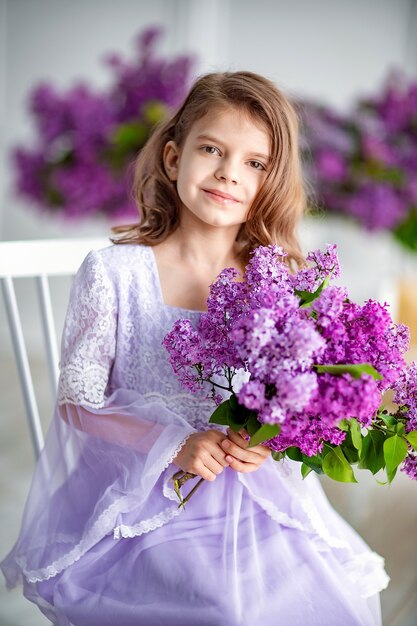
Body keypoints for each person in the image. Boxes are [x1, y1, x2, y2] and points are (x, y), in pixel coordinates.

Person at [1, 71, 389, 625]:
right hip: (149, 504)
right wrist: (172, 441)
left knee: (321, 605)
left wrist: (270, 443)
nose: (229, 173)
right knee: (220, 610)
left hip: (259, 504)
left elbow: (301, 401)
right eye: (212, 149)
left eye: (255, 163)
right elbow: (76, 400)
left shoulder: (277, 282)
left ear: (270, 182)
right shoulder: (115, 273)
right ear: (172, 157)